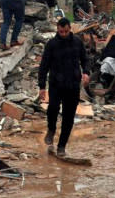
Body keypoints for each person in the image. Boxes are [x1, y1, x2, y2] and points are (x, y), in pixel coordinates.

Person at [38, 18, 89, 157]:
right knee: (53, 109)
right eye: (61, 32)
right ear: (57, 29)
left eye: (66, 31)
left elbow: (85, 59)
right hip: (56, 84)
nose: (64, 34)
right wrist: (42, 86)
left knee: (69, 117)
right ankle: (51, 129)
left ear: (70, 28)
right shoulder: (52, 44)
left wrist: (86, 72)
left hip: (73, 85)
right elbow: (44, 66)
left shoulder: (77, 42)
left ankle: (61, 146)